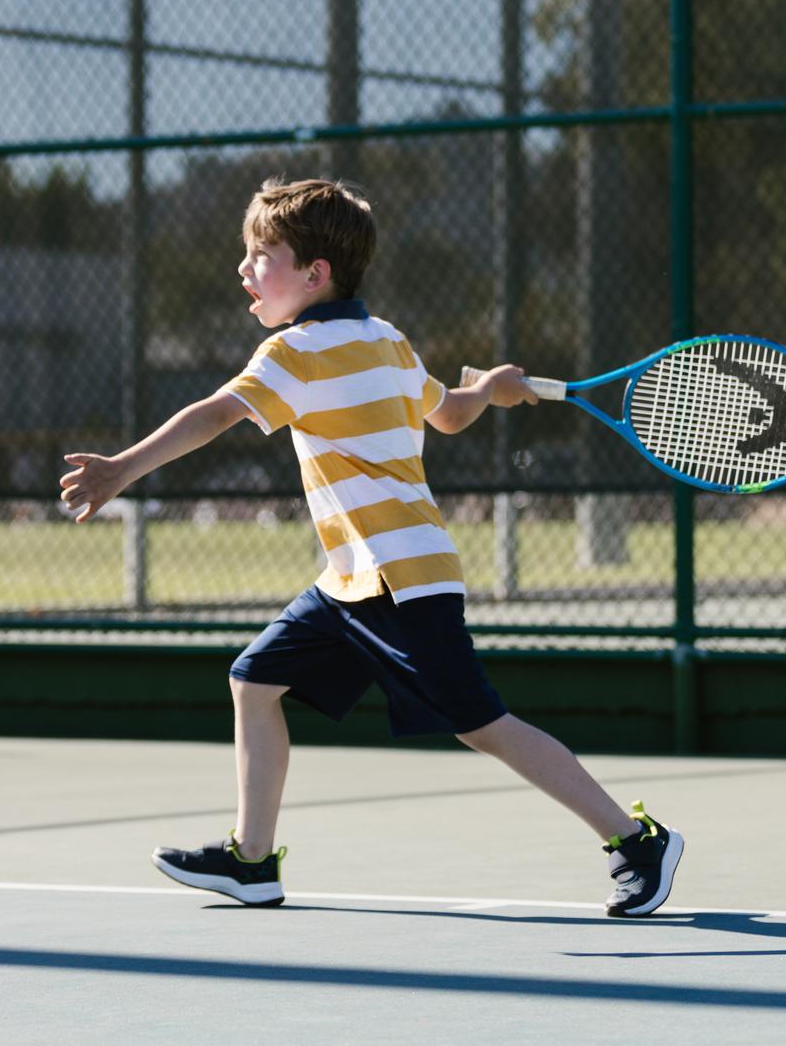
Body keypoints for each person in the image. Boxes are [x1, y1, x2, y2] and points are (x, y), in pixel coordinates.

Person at [59, 177, 682, 918]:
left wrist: (121, 469)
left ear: (315, 274)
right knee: (254, 682)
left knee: (482, 724)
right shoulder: (386, 339)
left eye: (262, 255)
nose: (245, 269)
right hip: (354, 579)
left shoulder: (295, 353)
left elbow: (214, 415)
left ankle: (636, 842)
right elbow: (448, 414)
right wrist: (487, 390)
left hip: (401, 579)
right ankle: (252, 862)